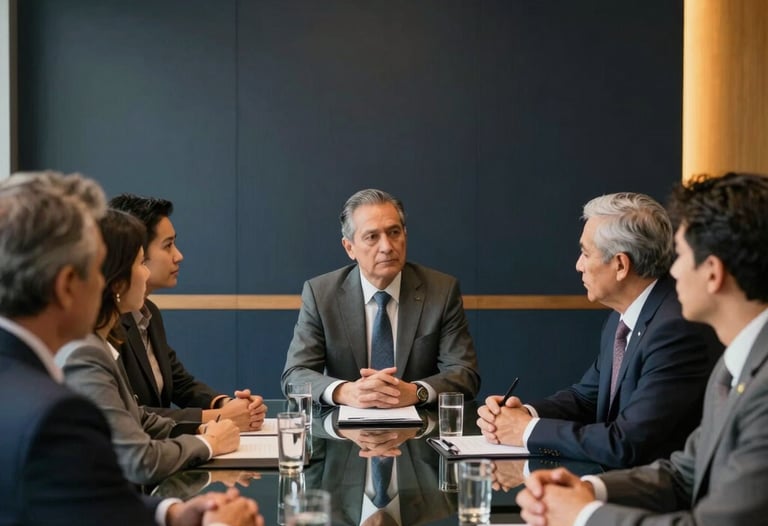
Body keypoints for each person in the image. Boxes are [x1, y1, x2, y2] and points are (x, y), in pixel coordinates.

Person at [0, 170, 263, 525]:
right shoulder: (53, 410)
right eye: (98, 269)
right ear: (67, 286)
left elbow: (88, 498)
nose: (106, 281)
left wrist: (173, 513)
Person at [516, 172, 768, 526]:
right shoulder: (733, 365)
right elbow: (683, 474)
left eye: (680, 255)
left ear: (713, 273)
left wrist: (584, 515)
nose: (672, 270)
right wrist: (588, 489)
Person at [477, 192, 722, 468]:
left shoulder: (676, 330)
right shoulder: (624, 317)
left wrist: (527, 430)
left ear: (620, 265)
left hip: (656, 497)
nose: (578, 265)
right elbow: (586, 397)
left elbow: (627, 443)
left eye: (585, 253)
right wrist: (524, 413)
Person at [55, 209, 241, 485]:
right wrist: (207, 443)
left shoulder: (100, 342)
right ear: (117, 282)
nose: (146, 273)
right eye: (141, 263)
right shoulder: (84, 352)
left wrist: (202, 427)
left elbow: (138, 419)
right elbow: (139, 461)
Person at [281, 188, 480, 408]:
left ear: (405, 234)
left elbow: (465, 374)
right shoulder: (321, 294)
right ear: (349, 248)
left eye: (394, 232)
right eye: (372, 237)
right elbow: (295, 375)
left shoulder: (441, 291)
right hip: (343, 434)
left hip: (418, 433)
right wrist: (346, 392)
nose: (386, 247)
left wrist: (417, 391)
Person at [109, 193, 265, 431]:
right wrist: (219, 417)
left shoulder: (149, 312)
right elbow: (130, 415)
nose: (178, 256)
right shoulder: (105, 325)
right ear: (133, 253)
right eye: (168, 245)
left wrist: (229, 404)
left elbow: (180, 383)